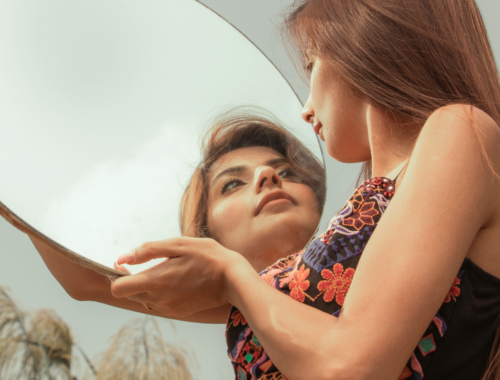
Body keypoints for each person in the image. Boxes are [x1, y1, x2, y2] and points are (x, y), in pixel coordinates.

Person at [110, 0, 500, 379]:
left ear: (361, 42)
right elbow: (91, 283)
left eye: (311, 63)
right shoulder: (310, 259)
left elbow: (352, 367)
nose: (306, 108)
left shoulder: (461, 130)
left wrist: (234, 278)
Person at [31, 108, 326, 324]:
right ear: (206, 239)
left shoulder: (370, 244)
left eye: (287, 172)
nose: (268, 174)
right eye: (233, 184)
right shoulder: (242, 303)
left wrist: (230, 275)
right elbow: (88, 282)